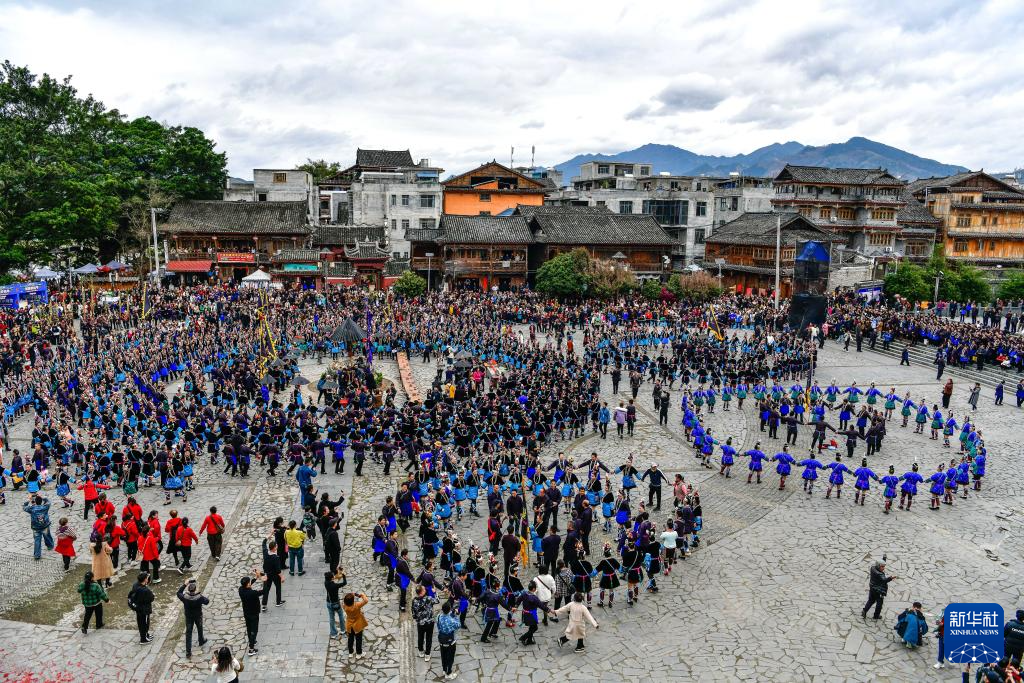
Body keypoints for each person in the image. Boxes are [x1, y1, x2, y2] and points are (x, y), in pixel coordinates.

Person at [176, 578, 209, 658]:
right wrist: (200, 595)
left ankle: (188, 652)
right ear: (195, 589)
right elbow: (207, 601)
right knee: (200, 628)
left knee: (189, 633)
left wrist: (185, 584)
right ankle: (201, 640)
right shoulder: (199, 597)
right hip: (198, 615)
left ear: (188, 589)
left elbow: (178, 593)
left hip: (189, 617)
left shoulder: (185, 597)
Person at [412, 584, 439, 661]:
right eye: (424, 589)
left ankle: (421, 651)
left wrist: (417, 619)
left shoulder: (414, 600)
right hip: (429, 623)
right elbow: (437, 600)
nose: (425, 590)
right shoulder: (429, 599)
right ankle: (427, 654)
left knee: (420, 637)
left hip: (420, 623)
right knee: (429, 638)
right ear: (421, 592)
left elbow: (413, 614)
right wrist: (434, 592)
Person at [238, 573, 263, 656]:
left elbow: (248, 585)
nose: (250, 583)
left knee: (249, 629)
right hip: (254, 614)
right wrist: (265, 581)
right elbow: (264, 591)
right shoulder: (252, 593)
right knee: (254, 631)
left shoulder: (241, 590)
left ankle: (252, 640)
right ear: (247, 584)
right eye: (249, 582)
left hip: (247, 613)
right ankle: (251, 649)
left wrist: (256, 578)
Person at [77, 570, 109, 635]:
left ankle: (84, 627)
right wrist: (107, 600)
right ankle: (99, 625)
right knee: (99, 614)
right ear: (92, 578)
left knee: (87, 615)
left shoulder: (81, 584)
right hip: (96, 603)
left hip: (87, 604)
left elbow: (79, 591)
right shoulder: (96, 585)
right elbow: (101, 594)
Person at [128, 571, 155, 643]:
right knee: (145, 623)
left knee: (141, 622)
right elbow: (151, 598)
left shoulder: (135, 585)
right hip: (144, 610)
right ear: (145, 580)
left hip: (138, 608)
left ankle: (145, 634)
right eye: (147, 578)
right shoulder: (145, 590)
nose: (148, 579)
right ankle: (143, 639)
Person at [23, 494, 53, 560]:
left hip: (36, 527)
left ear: (35, 502)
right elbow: (48, 501)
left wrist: (29, 500)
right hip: (45, 525)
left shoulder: (31, 509)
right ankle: (50, 546)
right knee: (47, 536)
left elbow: (24, 507)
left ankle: (37, 555)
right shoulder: (45, 507)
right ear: (41, 501)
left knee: (37, 540)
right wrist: (43, 497)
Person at [436, 602, 461, 680]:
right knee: (450, 658)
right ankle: (449, 673)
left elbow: (438, 625)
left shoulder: (438, 616)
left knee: (443, 656)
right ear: (449, 609)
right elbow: (458, 625)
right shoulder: (451, 621)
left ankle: (444, 669)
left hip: (441, 640)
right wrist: (456, 615)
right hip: (450, 642)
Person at [260, 537, 285, 609]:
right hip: (274, 575)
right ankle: (278, 602)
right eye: (276, 546)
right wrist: (282, 577)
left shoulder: (265, 553)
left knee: (266, 589)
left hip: (266, 574)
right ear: (274, 548)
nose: (277, 546)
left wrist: (267, 537)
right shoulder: (275, 557)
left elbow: (263, 543)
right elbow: (278, 570)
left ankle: (264, 605)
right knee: (278, 587)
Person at [343, 592, 369, 659]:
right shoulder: (357, 605)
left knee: (350, 639)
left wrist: (351, 596)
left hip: (349, 625)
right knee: (358, 639)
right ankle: (359, 653)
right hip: (357, 625)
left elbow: (346, 601)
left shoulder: (344, 606)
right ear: (352, 601)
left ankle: (350, 652)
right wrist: (362, 594)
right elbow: (366, 600)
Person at [324, 567, 347, 639]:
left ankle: (333, 634)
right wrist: (343, 575)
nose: (334, 576)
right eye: (333, 576)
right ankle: (343, 630)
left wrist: (337, 573)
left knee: (331, 618)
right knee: (340, 615)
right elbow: (344, 583)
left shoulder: (326, 582)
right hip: (336, 603)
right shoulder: (335, 586)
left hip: (329, 602)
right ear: (331, 578)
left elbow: (334, 578)